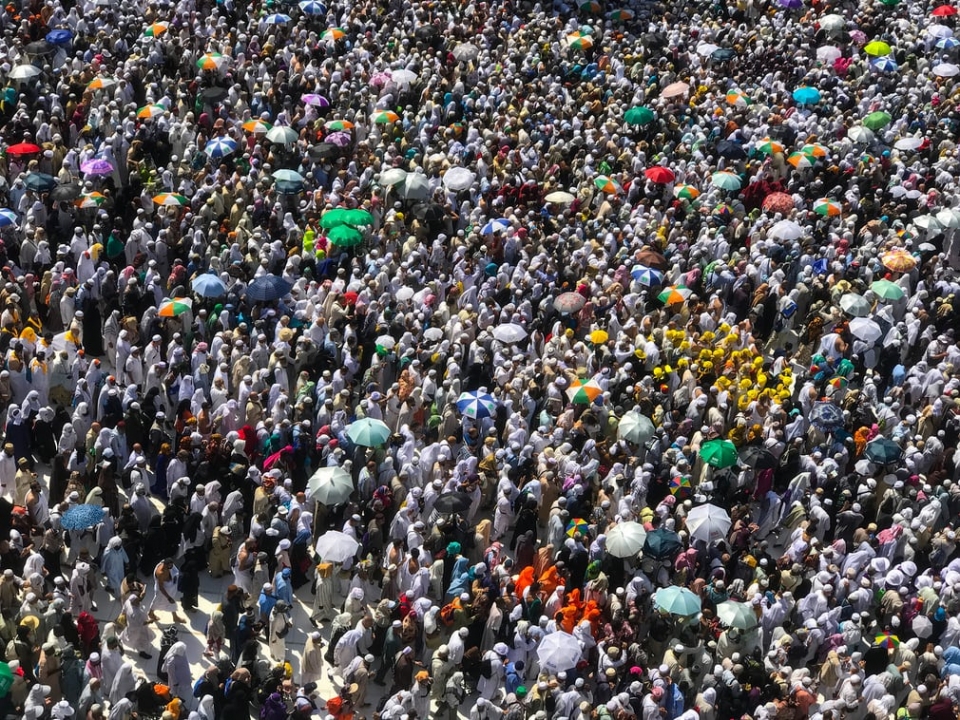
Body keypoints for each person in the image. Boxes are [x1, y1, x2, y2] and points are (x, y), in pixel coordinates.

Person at [149, 558, 186, 625]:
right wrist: (168, 597)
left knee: (172, 604)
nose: (171, 567)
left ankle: (175, 617)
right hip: (162, 592)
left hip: (169, 590)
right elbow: (161, 587)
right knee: (157, 602)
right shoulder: (161, 573)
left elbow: (173, 571)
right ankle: (151, 613)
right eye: (169, 565)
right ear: (165, 565)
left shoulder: (168, 566)